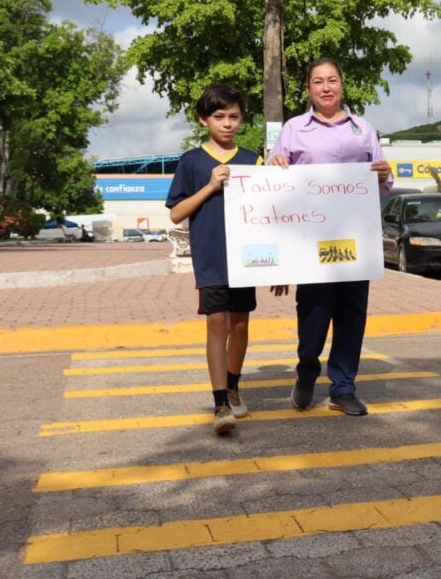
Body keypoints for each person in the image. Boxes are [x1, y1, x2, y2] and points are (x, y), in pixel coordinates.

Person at [269, 57, 393, 417]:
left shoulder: (363, 129)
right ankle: (307, 369)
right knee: (315, 312)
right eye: (318, 81)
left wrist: (384, 174)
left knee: (352, 314)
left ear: (342, 85)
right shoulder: (294, 129)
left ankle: (343, 387)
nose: (326, 87)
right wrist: (276, 164)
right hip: (310, 239)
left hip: (355, 238)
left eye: (332, 80)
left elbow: (382, 186)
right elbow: (276, 183)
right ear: (308, 88)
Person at [165, 85, 262, 434]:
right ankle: (220, 402)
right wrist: (209, 187)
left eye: (234, 117)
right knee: (216, 324)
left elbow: (271, 213)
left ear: (242, 119)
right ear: (203, 119)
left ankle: (234, 384)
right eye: (219, 117)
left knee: (240, 325)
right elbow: (177, 213)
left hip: (247, 258)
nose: (227, 124)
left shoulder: (254, 161)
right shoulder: (191, 161)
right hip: (210, 258)